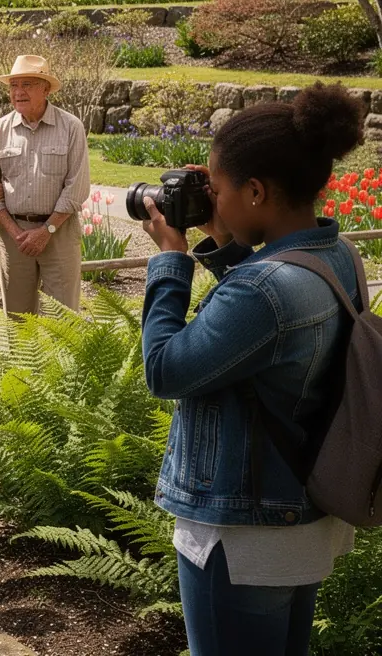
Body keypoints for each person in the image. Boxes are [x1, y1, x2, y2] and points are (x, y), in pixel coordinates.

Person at [140, 82, 361, 656]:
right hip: (303, 524)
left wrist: (169, 260)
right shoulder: (338, 257)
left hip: (241, 540)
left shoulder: (265, 291)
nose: (210, 197)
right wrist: (222, 235)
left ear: (257, 190)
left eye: (216, 188)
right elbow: (268, 327)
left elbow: (165, 370)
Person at [0, 54, 90, 314]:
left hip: (59, 233)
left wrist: (46, 231)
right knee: (18, 320)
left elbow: (77, 188)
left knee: (63, 319)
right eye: (13, 86)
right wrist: (16, 232)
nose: (18, 92)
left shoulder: (71, 127)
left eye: (27, 85)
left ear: (46, 88)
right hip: (13, 236)